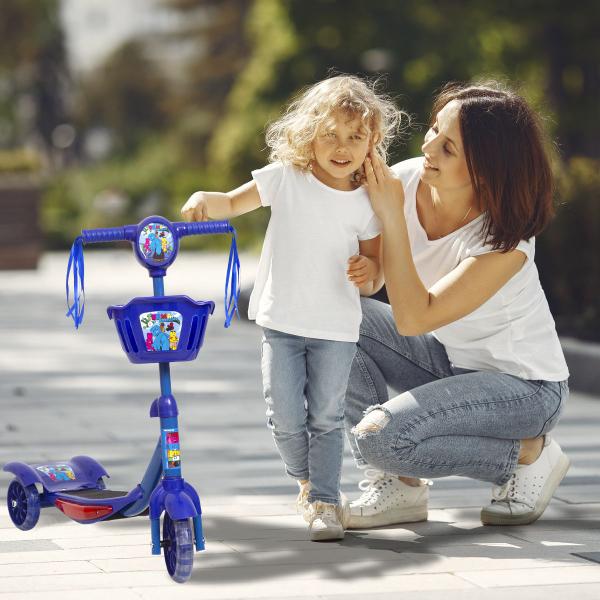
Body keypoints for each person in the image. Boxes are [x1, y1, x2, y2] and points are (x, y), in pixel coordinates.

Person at [181, 75, 406, 540]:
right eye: (331, 134)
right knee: (285, 417)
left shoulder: (368, 202)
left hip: (337, 329)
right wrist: (206, 198)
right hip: (282, 322)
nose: (341, 146)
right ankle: (307, 482)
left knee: (326, 416)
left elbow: (377, 270)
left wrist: (370, 273)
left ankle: (325, 500)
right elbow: (229, 202)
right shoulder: (286, 178)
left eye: (355, 137)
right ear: (309, 135)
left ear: (371, 144)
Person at [344, 81, 570, 529]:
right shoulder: (409, 180)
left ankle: (530, 452)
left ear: (485, 170)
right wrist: (369, 271)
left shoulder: (505, 243)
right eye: (433, 131)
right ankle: (398, 487)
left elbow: (413, 317)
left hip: (525, 389)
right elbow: (379, 278)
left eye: (447, 147)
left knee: (381, 437)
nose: (428, 146)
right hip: (449, 362)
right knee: (337, 319)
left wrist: (390, 216)